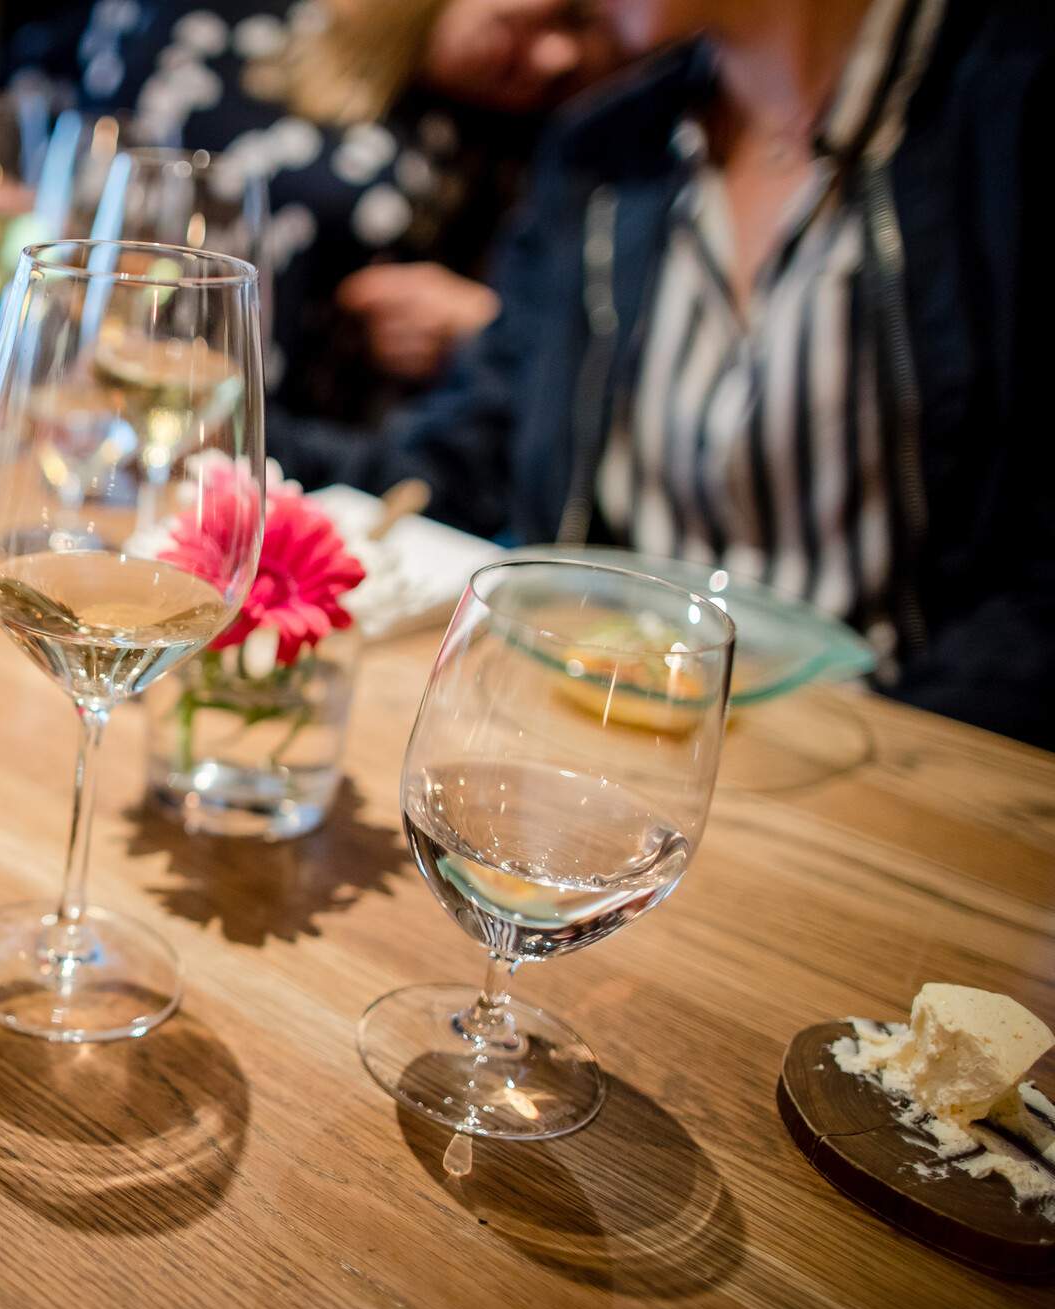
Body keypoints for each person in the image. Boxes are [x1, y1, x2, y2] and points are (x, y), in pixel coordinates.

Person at [276, 0, 1055, 748]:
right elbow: (458, 465)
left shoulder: (1008, 108)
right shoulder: (607, 150)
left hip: (884, 766)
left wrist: (900, 772)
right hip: (583, 729)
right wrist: (234, 427)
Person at [38, 0, 618, 426]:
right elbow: (67, 136)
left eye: (582, 55)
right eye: (565, 15)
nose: (555, 58)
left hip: (299, 458)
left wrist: (480, 327)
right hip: (99, 392)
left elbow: (549, 336)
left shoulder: (512, 153)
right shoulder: (212, 22)